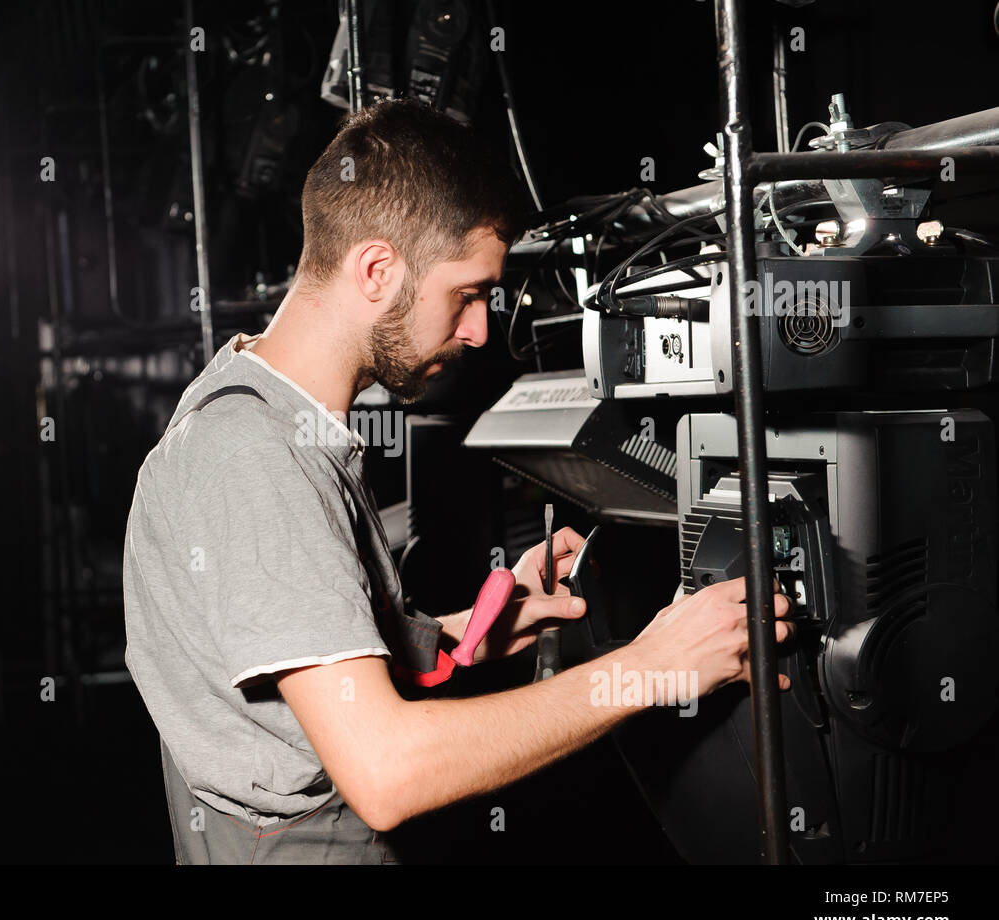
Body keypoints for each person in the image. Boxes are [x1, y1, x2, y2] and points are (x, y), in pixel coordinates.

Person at [123, 98, 794, 864]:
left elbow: (305, 656)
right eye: (467, 293)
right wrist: (649, 667)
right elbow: (385, 769)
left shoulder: (248, 403)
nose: (478, 328)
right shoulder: (255, 455)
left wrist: (466, 630)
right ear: (377, 269)